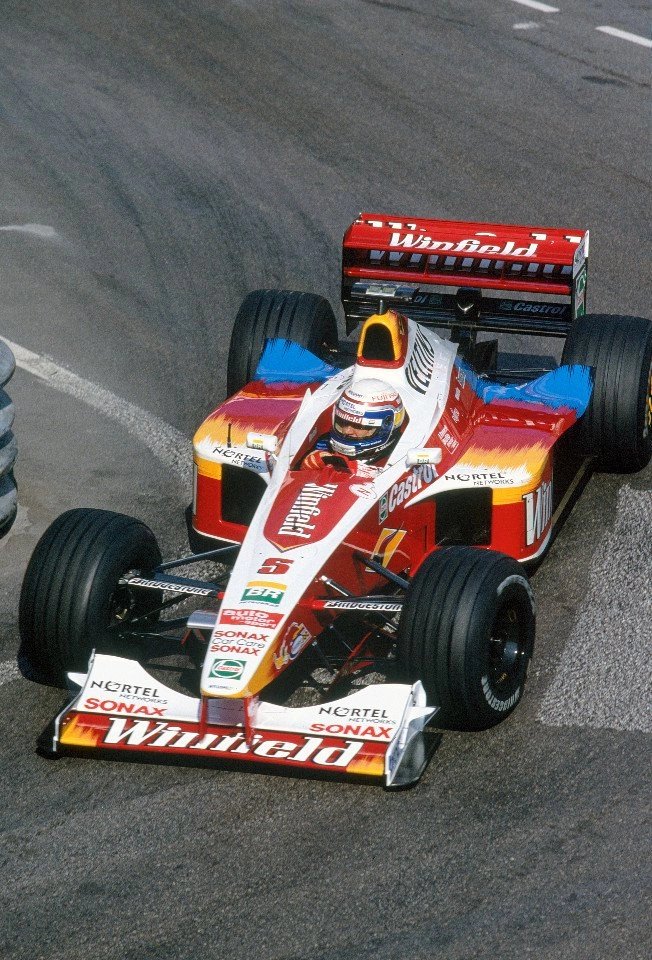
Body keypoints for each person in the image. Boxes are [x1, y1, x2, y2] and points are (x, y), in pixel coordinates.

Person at [302, 378, 405, 472]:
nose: (346, 431)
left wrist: (356, 469)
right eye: (343, 423)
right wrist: (311, 462)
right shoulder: (324, 444)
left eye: (358, 426)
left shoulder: (404, 454)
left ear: (385, 427)